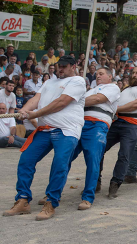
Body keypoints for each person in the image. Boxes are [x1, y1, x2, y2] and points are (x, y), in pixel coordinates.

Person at [2, 55, 86, 221]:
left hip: (66, 130)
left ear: (73, 66)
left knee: (60, 164)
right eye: (58, 66)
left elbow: (61, 102)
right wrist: (24, 111)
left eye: (64, 66)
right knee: (26, 160)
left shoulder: (78, 81)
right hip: (44, 130)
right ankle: (23, 200)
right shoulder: (48, 82)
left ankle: (51, 202)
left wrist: (35, 114)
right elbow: (35, 99)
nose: (60, 69)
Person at [51, 67, 120, 210]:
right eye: (97, 74)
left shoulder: (113, 88)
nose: (98, 76)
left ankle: (88, 197)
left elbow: (97, 99)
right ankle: (52, 194)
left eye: (101, 74)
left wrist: (72, 98)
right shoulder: (89, 90)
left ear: (110, 76)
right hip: (79, 124)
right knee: (64, 158)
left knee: (93, 160)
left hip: (97, 125)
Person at [99, 66, 137, 198]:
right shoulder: (125, 89)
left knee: (124, 154)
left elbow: (136, 105)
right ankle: (96, 181)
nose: (134, 75)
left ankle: (115, 183)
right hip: (117, 121)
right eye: (133, 73)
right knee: (98, 147)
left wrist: (115, 109)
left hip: (133, 124)